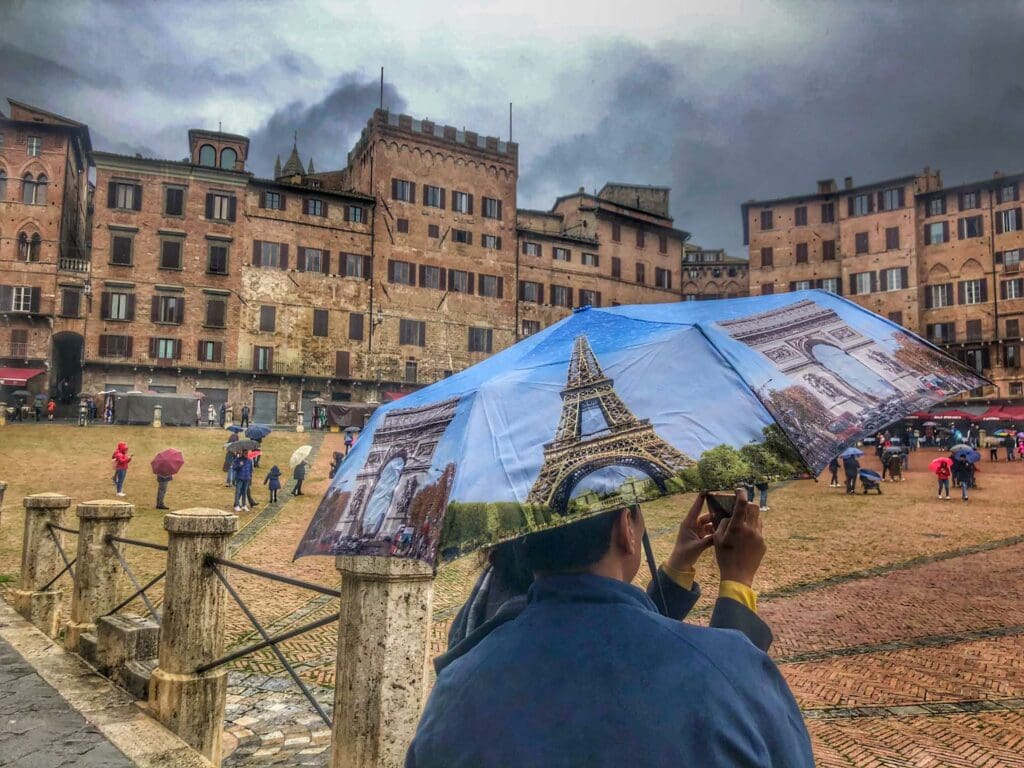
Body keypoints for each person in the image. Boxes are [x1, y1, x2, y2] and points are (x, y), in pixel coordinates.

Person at [408, 491, 814, 768]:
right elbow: (715, 689)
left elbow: (613, 635)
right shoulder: (732, 672)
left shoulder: (454, 689)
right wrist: (738, 581)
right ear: (626, 527)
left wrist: (675, 569)